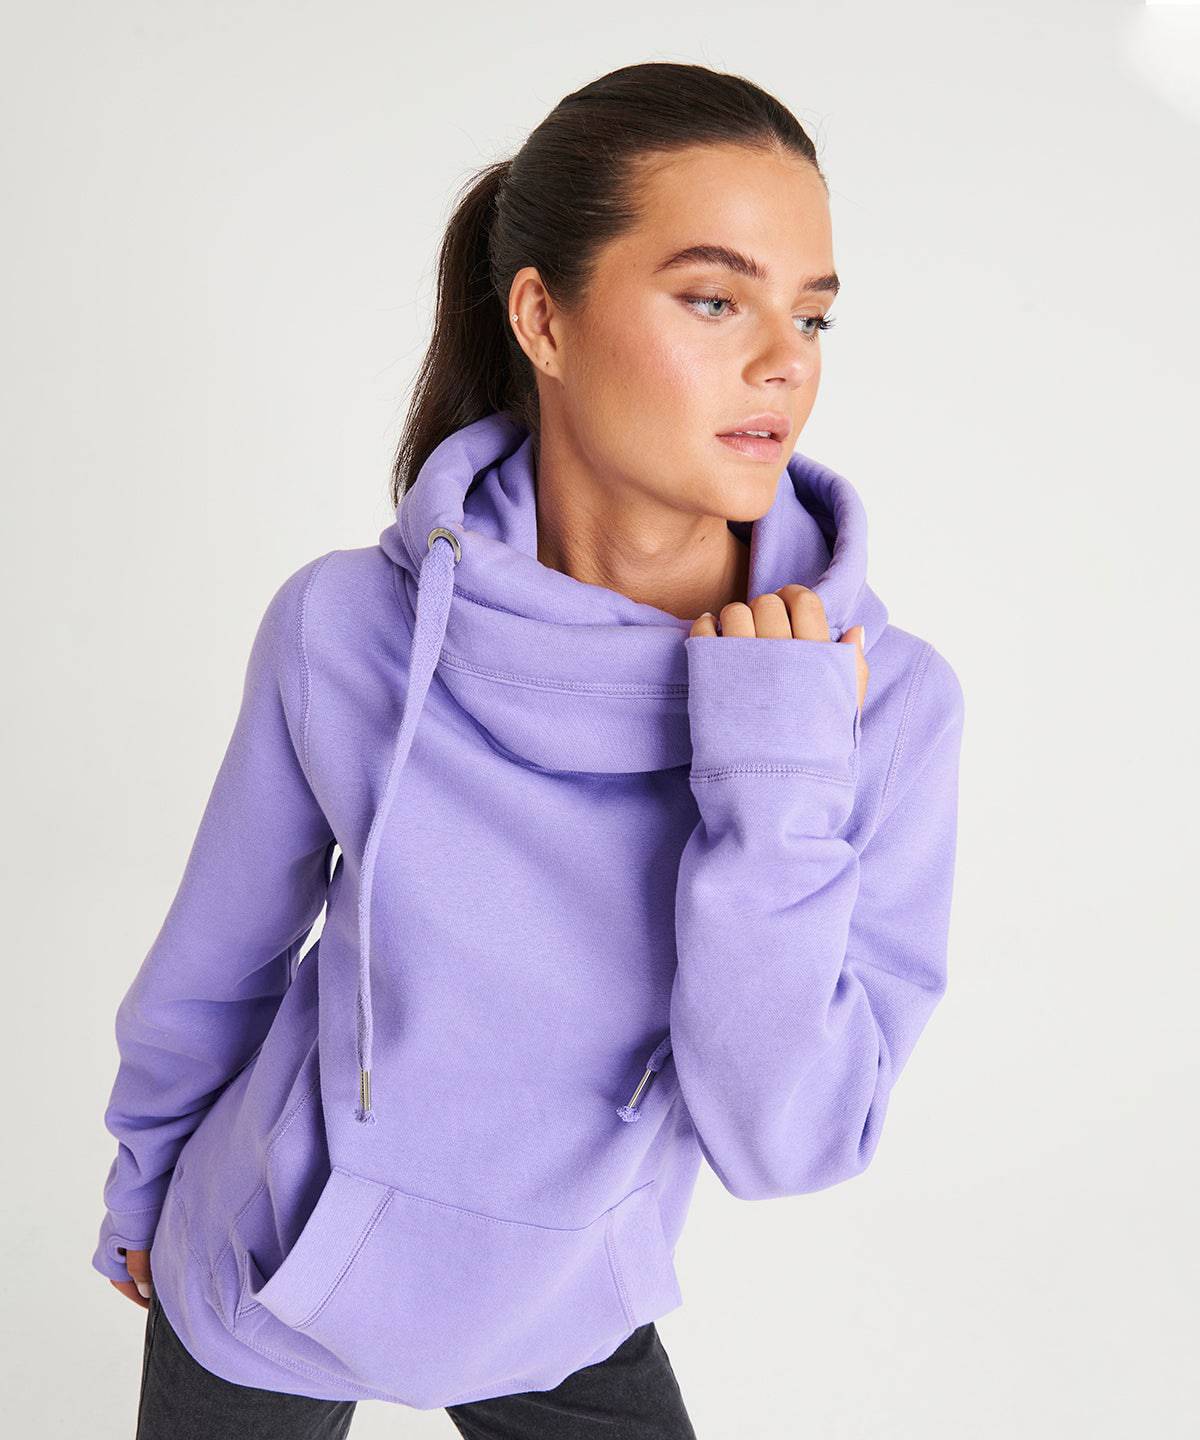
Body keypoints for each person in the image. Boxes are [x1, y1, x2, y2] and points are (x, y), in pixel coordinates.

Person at [93, 59, 965, 1439]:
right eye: (714, 298)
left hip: (564, 1297)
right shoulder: (351, 627)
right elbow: (219, 955)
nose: (786, 359)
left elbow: (788, 1143)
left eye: (812, 313)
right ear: (543, 318)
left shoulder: (880, 701)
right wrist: (144, 1177)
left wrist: (775, 778)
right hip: (269, 1264)